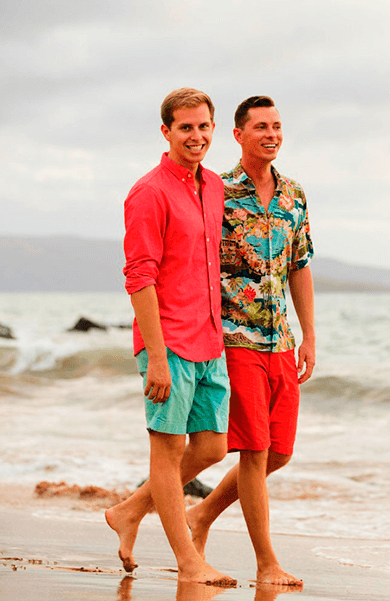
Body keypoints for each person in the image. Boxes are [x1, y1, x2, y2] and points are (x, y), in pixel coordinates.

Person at [106, 87, 235, 586]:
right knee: (167, 451)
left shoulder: (215, 187)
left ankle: (129, 511)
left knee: (212, 447)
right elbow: (139, 275)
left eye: (204, 126)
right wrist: (156, 356)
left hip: (208, 338)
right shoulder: (149, 191)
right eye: (186, 127)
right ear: (167, 131)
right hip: (168, 342)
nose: (196, 136)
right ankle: (188, 560)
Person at [186, 95, 315, 587]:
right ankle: (266, 564)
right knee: (254, 452)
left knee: (279, 452)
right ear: (238, 134)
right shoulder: (217, 191)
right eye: (261, 126)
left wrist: (308, 336)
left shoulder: (294, 195)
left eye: (278, 126)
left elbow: (300, 268)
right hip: (235, 338)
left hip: (280, 339)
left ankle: (197, 516)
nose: (272, 134)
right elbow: (196, 261)